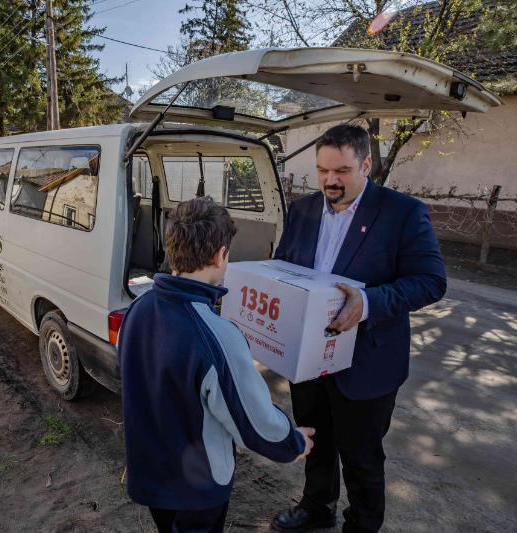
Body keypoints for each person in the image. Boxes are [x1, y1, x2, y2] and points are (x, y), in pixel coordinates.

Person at [271, 124, 446, 532]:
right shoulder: (302, 210)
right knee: (316, 440)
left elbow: (430, 281)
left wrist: (367, 303)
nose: (330, 181)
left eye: (342, 171)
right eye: (322, 170)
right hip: (309, 358)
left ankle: (363, 524)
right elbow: (284, 266)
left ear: (366, 165)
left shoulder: (403, 213)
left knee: (362, 456)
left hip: (367, 362)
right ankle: (318, 507)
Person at [119, 197, 314, 533]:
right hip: (196, 490)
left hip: (150, 477)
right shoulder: (217, 335)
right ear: (219, 255)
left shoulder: (138, 309)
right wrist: (292, 442)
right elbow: (253, 420)